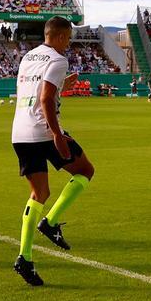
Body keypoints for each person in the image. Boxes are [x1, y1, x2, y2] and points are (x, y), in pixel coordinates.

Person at [11, 16, 96, 286]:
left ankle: (24, 257)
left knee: (39, 193)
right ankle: (50, 222)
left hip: (19, 132)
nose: (68, 44)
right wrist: (57, 135)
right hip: (44, 132)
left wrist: (62, 86)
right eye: (68, 38)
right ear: (60, 37)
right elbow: (45, 98)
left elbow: (40, 91)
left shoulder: (28, 57)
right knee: (85, 170)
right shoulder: (58, 60)